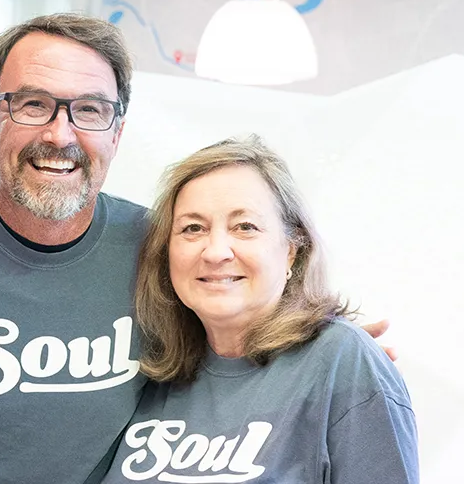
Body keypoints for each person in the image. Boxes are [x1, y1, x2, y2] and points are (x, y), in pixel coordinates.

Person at [0, 13, 395, 483]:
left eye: (89, 110)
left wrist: (327, 348)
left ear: (116, 134)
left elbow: (237, 309)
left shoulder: (157, 246)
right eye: (32, 104)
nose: (60, 133)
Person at [100, 136, 417, 484]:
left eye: (245, 227)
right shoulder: (153, 371)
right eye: (193, 228)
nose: (216, 251)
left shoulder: (343, 361)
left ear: (292, 251)